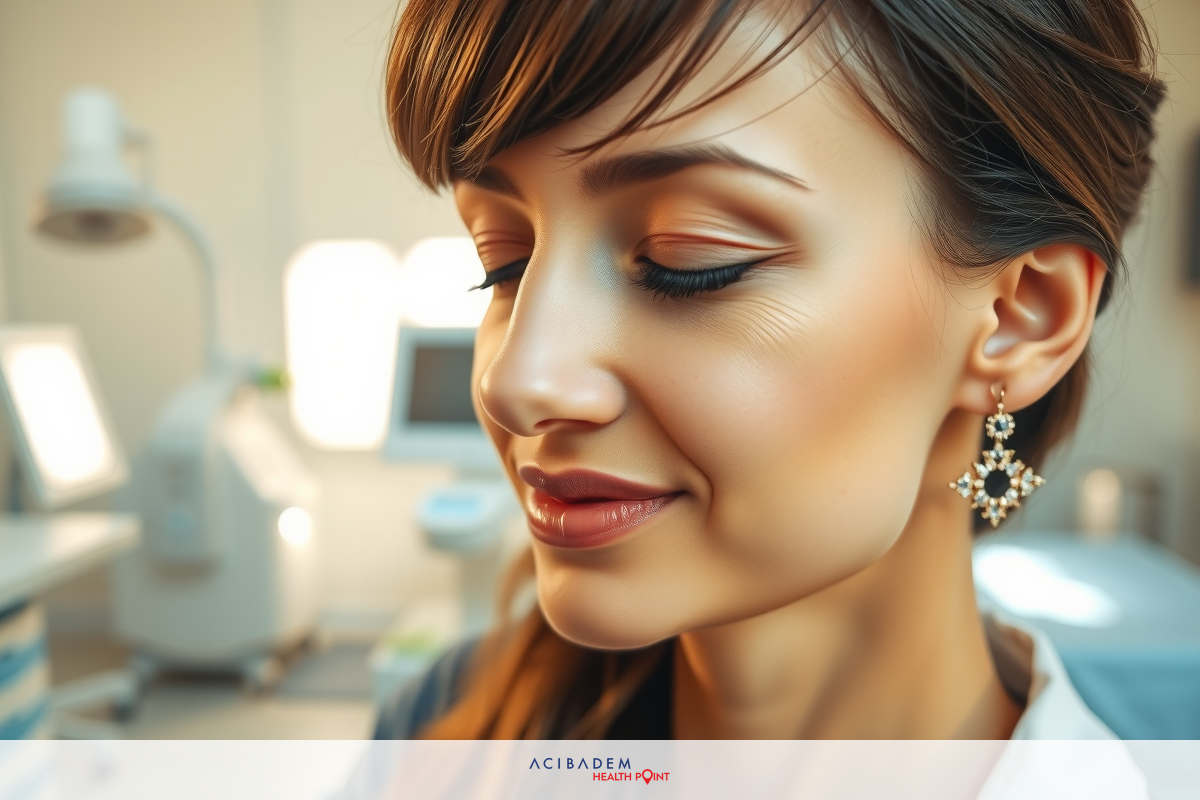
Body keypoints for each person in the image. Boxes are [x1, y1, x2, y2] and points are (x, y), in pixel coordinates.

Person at [375, 0, 1163, 742]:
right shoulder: (439, 727)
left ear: (1023, 317)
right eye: (503, 265)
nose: (515, 382)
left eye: (690, 261)